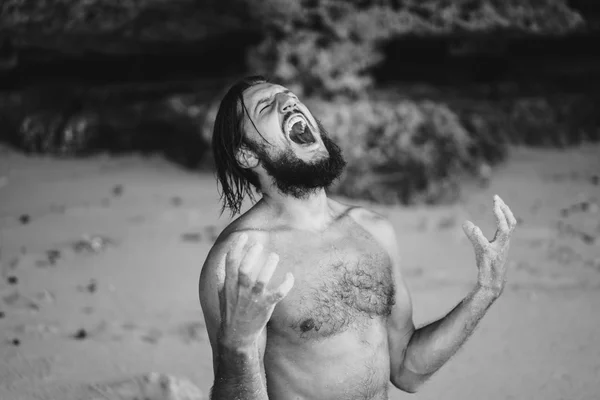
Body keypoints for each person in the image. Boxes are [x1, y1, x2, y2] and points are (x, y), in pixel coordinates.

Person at [199, 76, 517, 400]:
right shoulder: (242, 259)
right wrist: (236, 344)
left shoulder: (373, 230)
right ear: (247, 155)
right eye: (267, 105)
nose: (289, 103)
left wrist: (486, 291)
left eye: (290, 96)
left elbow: (407, 368)